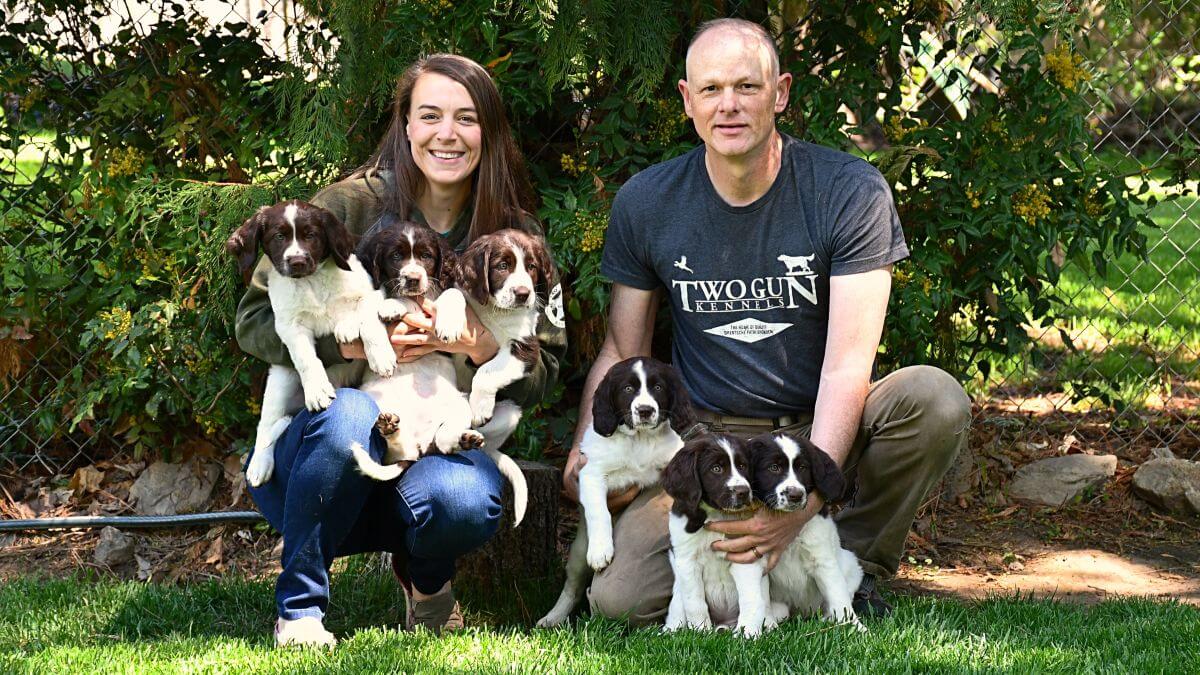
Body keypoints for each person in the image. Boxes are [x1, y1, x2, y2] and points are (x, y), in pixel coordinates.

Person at [563, 18, 971, 626]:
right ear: (686, 101)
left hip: (814, 428)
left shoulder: (848, 190)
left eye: (747, 87)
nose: (728, 105)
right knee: (620, 599)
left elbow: (846, 366)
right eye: (711, 89)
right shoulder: (648, 201)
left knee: (933, 399)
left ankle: (849, 565)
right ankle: (771, 579)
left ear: (779, 93)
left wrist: (799, 508)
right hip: (707, 442)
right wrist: (582, 452)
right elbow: (624, 348)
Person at [234, 54, 566, 646]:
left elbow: (549, 367)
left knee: (462, 499)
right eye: (430, 115)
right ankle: (300, 608)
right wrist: (356, 345)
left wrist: (482, 345)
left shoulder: (518, 235)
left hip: (437, 433)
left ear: (487, 131)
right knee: (349, 416)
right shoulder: (346, 208)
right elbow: (257, 321)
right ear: (405, 125)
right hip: (333, 445)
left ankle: (427, 581)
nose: (447, 133)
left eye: (466, 118)